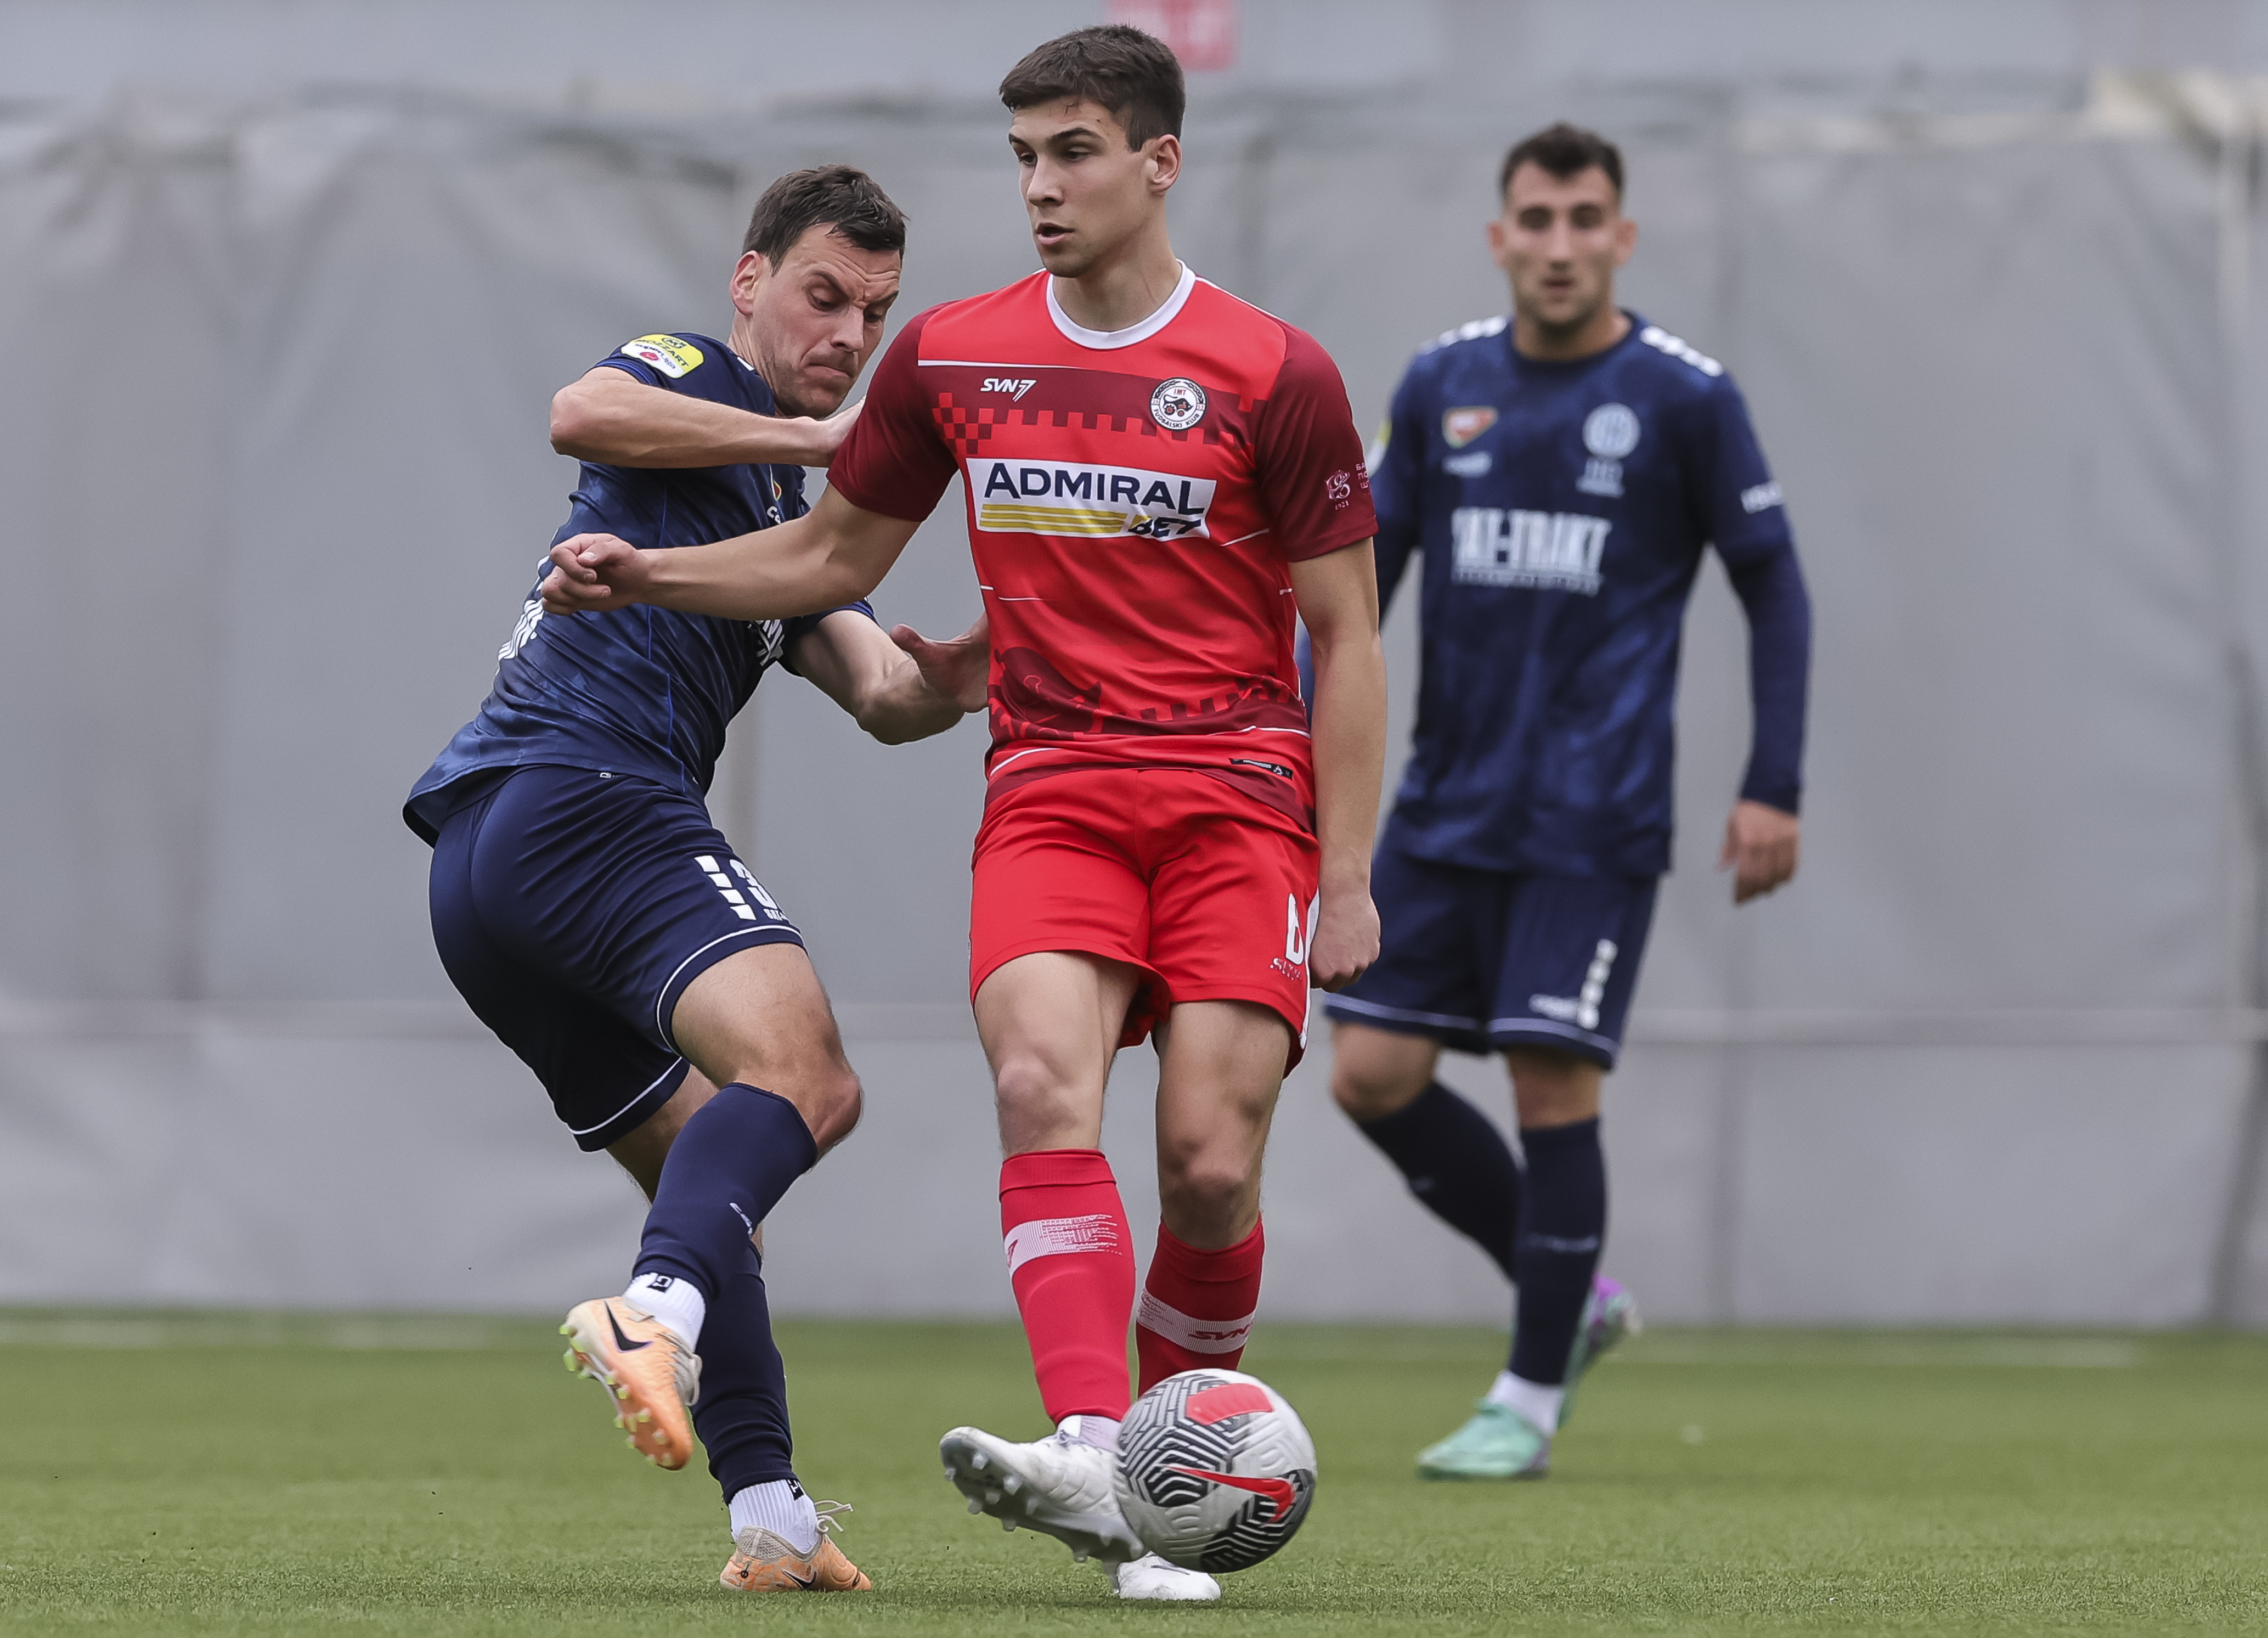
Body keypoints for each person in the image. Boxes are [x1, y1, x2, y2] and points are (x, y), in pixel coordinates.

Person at [538, 25, 1387, 1604]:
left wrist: (1345, 876)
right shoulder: (952, 356)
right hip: (1053, 794)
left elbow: (1345, 633)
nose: (1041, 187)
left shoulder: (1278, 372)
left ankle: (1161, 1483)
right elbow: (828, 560)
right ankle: (1099, 1457)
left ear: (1158, 162)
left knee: (1209, 1161)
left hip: (1237, 801)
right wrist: (648, 572)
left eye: (1073, 153)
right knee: (1036, 1077)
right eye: (1022, 159)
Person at [403, 165, 989, 1594]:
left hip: (487, 873)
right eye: (823, 295)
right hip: (583, 796)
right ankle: (646, 1317)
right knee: (810, 1081)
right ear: (749, 280)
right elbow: (581, 412)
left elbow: (887, 695)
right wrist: (812, 430)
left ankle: (771, 1515)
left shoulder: (799, 524)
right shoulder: (692, 376)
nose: (849, 333)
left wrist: (997, 655)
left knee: (711, 1193)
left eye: (875, 312)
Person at [1318, 122, 1812, 1481]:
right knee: (1369, 1073)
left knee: (1550, 1079)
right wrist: (1300, 761)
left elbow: (1774, 582)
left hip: (1593, 819)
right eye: (1535, 220)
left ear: (1621, 239)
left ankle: (1527, 1398)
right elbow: (1358, 588)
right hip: (1442, 810)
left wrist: (1773, 782)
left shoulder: (1684, 397)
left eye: (1584, 219)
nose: (1558, 245)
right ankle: (1574, 1297)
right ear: (1500, 238)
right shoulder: (1444, 384)